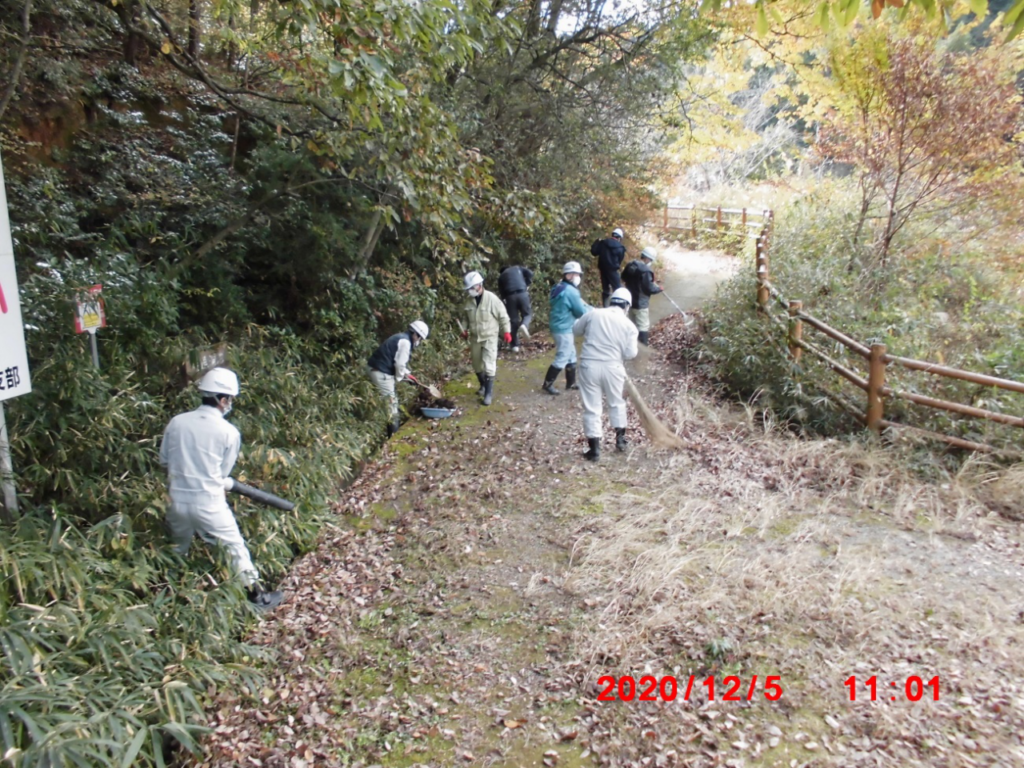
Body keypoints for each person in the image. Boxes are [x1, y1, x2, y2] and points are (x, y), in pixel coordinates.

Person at [159, 367, 284, 610]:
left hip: (176, 501)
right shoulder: (228, 432)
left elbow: (164, 460)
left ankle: (170, 598)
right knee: (234, 548)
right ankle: (258, 598)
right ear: (223, 399)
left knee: (176, 550)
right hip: (209, 503)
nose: (231, 404)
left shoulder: (177, 422)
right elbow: (223, 473)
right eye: (231, 400)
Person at [572, 287, 639, 462]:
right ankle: (620, 440)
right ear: (626, 306)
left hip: (589, 365)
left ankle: (594, 450)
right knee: (616, 402)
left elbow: (576, 330)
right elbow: (631, 354)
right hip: (613, 367)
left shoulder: (594, 314)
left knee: (592, 407)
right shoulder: (629, 326)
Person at [367, 320, 430, 438]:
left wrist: (408, 375)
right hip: (380, 372)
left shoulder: (401, 337)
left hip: (376, 368)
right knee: (392, 405)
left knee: (388, 402)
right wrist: (401, 378)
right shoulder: (406, 343)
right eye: (419, 338)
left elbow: (398, 362)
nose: (419, 341)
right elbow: (400, 365)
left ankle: (389, 432)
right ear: (415, 334)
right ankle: (393, 437)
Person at [462, 271, 511, 406]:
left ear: (479, 285)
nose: (470, 291)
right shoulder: (469, 301)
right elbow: (465, 318)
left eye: (471, 288)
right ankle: (483, 385)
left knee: (489, 365)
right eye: (468, 289)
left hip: (489, 336)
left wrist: (507, 331)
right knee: (477, 365)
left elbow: (503, 316)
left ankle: (488, 394)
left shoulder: (492, 299)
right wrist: (464, 329)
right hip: (475, 337)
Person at [542, 261, 591, 396]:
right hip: (563, 327)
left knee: (571, 354)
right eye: (576, 274)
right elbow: (581, 312)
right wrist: (592, 311)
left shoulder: (559, 287)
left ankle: (571, 383)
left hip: (558, 324)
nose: (578, 277)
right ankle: (547, 384)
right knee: (563, 355)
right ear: (569, 275)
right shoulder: (571, 291)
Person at [621, 247, 663, 345]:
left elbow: (623, 277)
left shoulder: (631, 264)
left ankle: (629, 346)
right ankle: (642, 349)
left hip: (629, 301)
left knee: (631, 325)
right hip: (641, 304)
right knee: (643, 326)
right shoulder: (646, 271)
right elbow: (649, 288)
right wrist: (659, 289)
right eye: (651, 260)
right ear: (648, 259)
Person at [497, 265, 534, 352]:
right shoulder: (517, 268)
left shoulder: (501, 277)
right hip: (522, 293)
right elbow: (530, 273)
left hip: (510, 297)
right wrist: (527, 284)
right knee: (527, 314)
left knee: (513, 321)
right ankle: (524, 325)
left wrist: (505, 302)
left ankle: (514, 346)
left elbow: (502, 293)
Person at [591, 227, 627, 307]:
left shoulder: (603, 243)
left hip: (603, 269)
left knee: (605, 290)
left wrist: (597, 241)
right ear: (619, 238)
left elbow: (594, 252)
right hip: (613, 270)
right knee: (618, 289)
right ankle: (619, 307)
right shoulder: (620, 248)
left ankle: (606, 306)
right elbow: (620, 260)